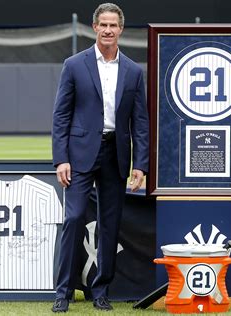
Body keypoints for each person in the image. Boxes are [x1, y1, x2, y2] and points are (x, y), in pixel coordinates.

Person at [51, 3, 149, 313]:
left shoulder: (133, 71)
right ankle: (63, 292)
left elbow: (141, 122)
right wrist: (60, 159)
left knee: (110, 224)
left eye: (113, 25)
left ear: (121, 29)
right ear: (95, 27)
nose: (108, 30)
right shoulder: (74, 65)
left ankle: (101, 290)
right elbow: (60, 116)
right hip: (79, 155)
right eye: (103, 24)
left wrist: (141, 164)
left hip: (116, 155)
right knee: (75, 217)